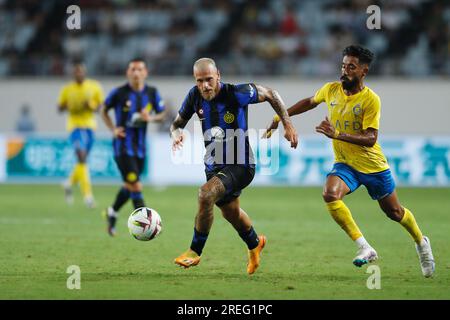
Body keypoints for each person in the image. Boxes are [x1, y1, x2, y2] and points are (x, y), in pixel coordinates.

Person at [263, 45, 435, 277]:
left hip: (374, 167)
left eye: (351, 67)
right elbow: (309, 101)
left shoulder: (370, 100)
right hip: (346, 165)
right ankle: (365, 247)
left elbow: (371, 138)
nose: (344, 71)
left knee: (394, 212)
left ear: (363, 71)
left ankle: (421, 242)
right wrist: (279, 116)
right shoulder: (331, 90)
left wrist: (337, 135)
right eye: (343, 66)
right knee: (330, 194)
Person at [170, 57, 298, 274]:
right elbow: (176, 124)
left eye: (209, 79)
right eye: (200, 81)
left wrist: (287, 124)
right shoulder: (194, 96)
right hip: (214, 165)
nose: (205, 86)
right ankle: (255, 243)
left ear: (218, 74)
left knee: (205, 194)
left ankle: (195, 251)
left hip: (241, 164)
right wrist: (176, 134)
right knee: (230, 212)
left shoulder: (237, 93)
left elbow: (271, 94)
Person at [101, 58, 166, 236]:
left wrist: (149, 118)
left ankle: (112, 211)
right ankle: (147, 225)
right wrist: (113, 129)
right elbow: (103, 110)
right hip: (122, 147)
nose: (136, 72)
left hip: (140, 149)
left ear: (145, 73)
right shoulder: (119, 93)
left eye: (139, 69)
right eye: (133, 69)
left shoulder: (152, 92)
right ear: (128, 73)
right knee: (136, 186)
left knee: (130, 185)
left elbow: (161, 114)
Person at [58, 61, 104, 208]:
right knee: (82, 157)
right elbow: (60, 107)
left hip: (90, 127)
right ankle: (88, 196)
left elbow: (101, 107)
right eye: (76, 71)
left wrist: (90, 105)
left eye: (81, 71)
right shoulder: (67, 89)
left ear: (84, 72)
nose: (78, 74)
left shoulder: (94, 87)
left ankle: (68, 183)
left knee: (81, 162)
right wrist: (68, 106)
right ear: (73, 73)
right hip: (75, 126)